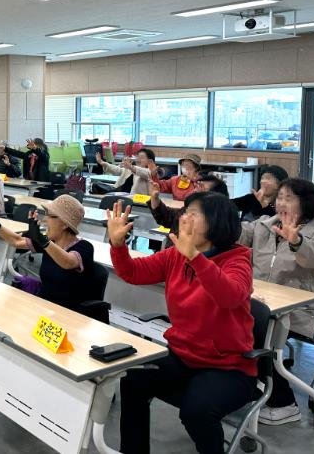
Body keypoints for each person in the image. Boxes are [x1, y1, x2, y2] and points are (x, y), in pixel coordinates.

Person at [107, 193, 257, 454]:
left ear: (215, 221)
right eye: (184, 212)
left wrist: (195, 257)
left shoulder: (237, 260)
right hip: (183, 355)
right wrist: (117, 245)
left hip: (228, 367)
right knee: (133, 380)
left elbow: (230, 296)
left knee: (196, 411)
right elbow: (132, 272)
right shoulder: (175, 255)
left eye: (192, 214)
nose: (183, 218)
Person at [238, 178, 314, 426]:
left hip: (297, 311)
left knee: (256, 335)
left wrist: (297, 242)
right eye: (279, 197)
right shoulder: (264, 225)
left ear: (305, 203)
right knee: (228, 326)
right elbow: (239, 234)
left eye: (289, 198)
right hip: (260, 302)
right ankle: (245, 388)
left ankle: (284, 403)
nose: (281, 203)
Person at [0, 195, 104, 314]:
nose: (45, 219)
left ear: (65, 224)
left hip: (71, 314)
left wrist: (42, 241)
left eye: (50, 216)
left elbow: (67, 262)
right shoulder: (49, 243)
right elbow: (16, 241)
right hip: (45, 307)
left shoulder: (85, 247)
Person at [149, 174, 229, 234]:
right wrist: (154, 197)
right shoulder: (188, 210)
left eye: (201, 187)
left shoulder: (214, 223)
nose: (196, 189)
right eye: (197, 185)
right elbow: (167, 217)